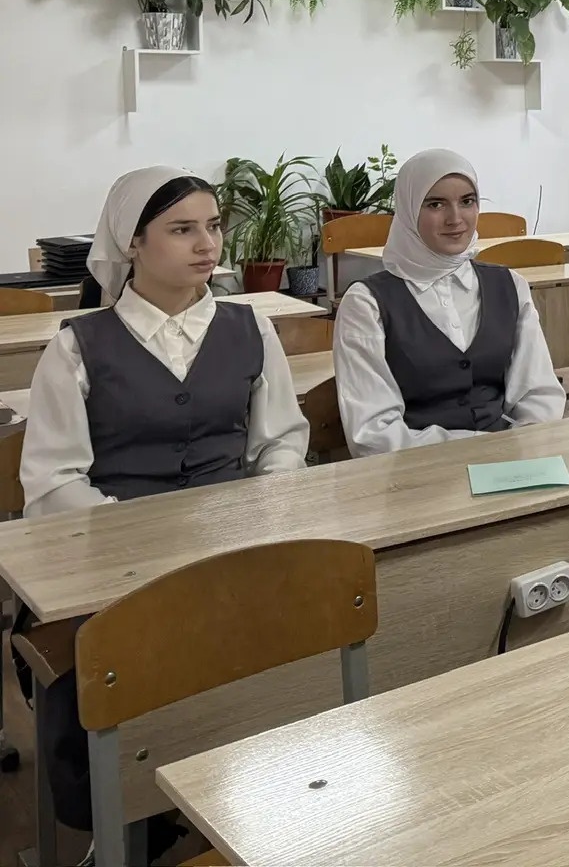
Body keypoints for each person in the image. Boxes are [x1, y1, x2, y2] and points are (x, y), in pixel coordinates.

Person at [16, 165, 311, 840]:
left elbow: (281, 443)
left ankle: (257, 795)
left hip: (237, 548)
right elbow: (55, 482)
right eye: (182, 230)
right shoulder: (77, 347)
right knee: (133, 655)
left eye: (213, 226)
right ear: (133, 243)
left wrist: (261, 512)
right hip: (115, 562)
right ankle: (137, 813)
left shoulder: (251, 330)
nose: (207, 244)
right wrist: (140, 542)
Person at [334, 149, 563, 455]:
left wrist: (520, 450)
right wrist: (480, 450)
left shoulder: (510, 285)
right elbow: (372, 433)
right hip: (416, 470)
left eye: (467, 201)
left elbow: (539, 395)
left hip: (509, 462)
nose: (455, 219)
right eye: (435, 204)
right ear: (408, 210)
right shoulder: (366, 304)